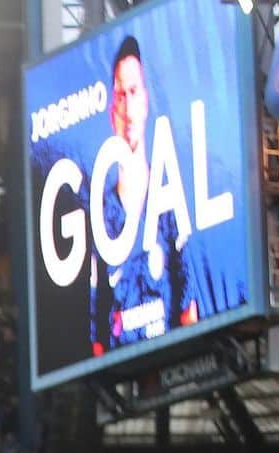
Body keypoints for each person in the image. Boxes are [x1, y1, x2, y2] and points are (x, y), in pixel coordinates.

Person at [90, 36, 197, 355]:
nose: (126, 106)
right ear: (112, 111)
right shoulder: (100, 219)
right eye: (120, 95)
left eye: (133, 92)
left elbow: (188, 308)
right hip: (122, 369)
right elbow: (95, 335)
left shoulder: (169, 201)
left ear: (146, 100)